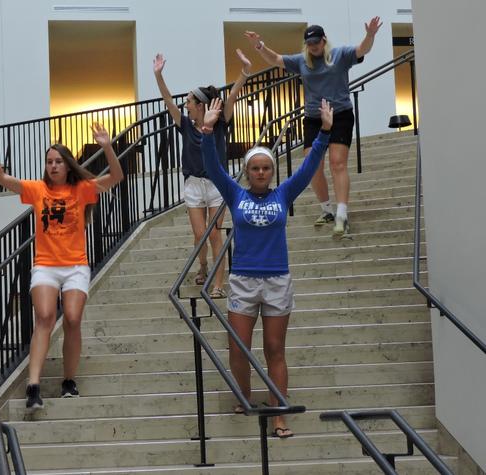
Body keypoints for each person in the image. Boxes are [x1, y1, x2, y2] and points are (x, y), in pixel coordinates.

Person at [201, 91, 333, 438]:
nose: (260, 172)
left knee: (275, 348)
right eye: (255, 168)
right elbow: (213, 168)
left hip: (276, 280)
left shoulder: (283, 193)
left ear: (272, 171)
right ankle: (244, 397)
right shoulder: (236, 194)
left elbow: (307, 170)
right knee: (238, 348)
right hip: (243, 279)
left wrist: (324, 134)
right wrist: (207, 132)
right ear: (247, 172)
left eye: (265, 168)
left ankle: (278, 415)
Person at [0, 122, 124, 411]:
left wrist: (106, 146)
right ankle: (33, 386)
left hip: (76, 265)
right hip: (45, 265)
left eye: (58, 162)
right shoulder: (37, 190)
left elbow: (116, 176)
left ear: (68, 166)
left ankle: (68, 380)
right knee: (43, 316)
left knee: (72, 318)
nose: (53, 166)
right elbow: (0, 176)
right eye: (49, 161)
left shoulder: (82, 190)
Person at [243, 17, 382, 237]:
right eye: (310, 43)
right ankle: (327, 209)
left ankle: (342, 214)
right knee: (312, 165)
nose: (314, 46)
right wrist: (259, 45)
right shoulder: (301, 61)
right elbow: (276, 60)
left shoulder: (340, 55)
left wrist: (370, 35)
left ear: (324, 40)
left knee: (337, 163)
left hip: (340, 115)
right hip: (314, 118)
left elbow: (361, 49)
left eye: (317, 42)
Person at [152, 50, 252, 298]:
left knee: (215, 233)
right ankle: (203, 265)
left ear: (200, 105)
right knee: (200, 234)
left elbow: (232, 96)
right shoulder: (185, 125)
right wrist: (158, 76)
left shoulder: (219, 123)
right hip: (193, 184)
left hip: (217, 184)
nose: (185, 105)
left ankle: (218, 284)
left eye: (188, 101)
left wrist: (244, 72)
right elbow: (167, 100)